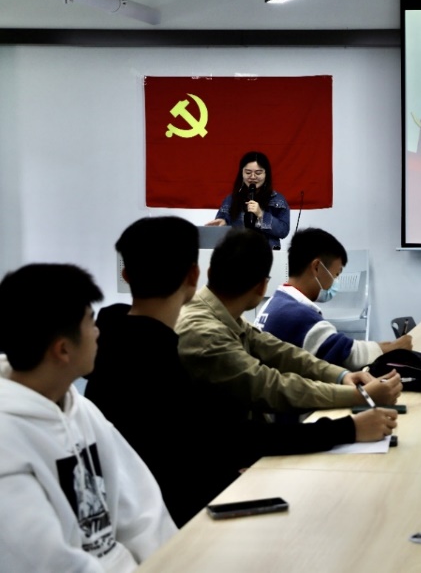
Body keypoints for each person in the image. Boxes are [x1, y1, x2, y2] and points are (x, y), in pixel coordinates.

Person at [85, 218, 398, 527]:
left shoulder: (127, 342)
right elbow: (250, 415)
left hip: (162, 509)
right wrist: (349, 421)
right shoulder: (181, 348)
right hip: (181, 520)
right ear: (195, 275)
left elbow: (272, 352)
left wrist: (342, 379)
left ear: (126, 275)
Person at [0, 263, 176, 572]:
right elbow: (50, 562)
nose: (97, 332)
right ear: (63, 350)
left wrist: (176, 561)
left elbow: (143, 515)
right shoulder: (7, 441)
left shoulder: (81, 409)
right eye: (90, 322)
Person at [176, 228, 403, 412]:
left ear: (209, 272)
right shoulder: (207, 335)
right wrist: (357, 396)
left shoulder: (221, 313)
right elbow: (271, 386)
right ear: (262, 287)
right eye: (336, 274)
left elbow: (281, 352)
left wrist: (342, 376)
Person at [255, 227, 413, 370]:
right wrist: (395, 348)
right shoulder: (299, 315)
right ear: (316, 267)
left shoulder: (275, 302)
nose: (334, 282)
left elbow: (339, 345)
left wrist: (387, 345)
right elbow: (348, 355)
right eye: (336, 274)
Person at [206, 151, 290, 249]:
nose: (253, 177)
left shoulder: (277, 200)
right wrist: (224, 223)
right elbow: (222, 229)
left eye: (258, 173)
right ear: (242, 173)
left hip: (267, 253)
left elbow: (283, 231)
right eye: (248, 172)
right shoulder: (231, 199)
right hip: (237, 252)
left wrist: (261, 214)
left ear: (266, 174)